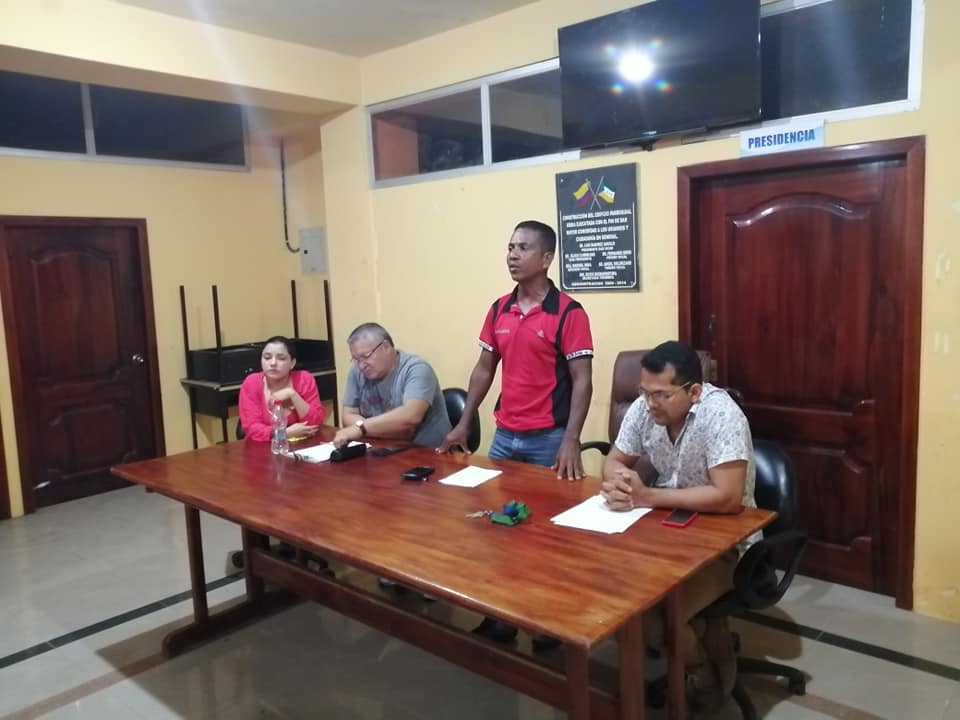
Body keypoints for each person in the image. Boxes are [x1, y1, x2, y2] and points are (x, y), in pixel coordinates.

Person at [438, 220, 594, 646]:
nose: (512, 254)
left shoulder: (569, 313)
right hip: (506, 437)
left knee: (547, 536)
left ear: (546, 258)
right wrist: (464, 420)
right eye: (510, 247)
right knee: (501, 526)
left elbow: (582, 380)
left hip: (549, 439)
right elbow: (484, 369)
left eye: (523, 247)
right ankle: (502, 616)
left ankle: (547, 622)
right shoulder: (499, 309)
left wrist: (571, 438)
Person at [600, 340, 756, 713]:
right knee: (619, 601)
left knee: (653, 620)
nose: (650, 403)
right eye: (644, 392)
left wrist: (647, 497)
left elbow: (727, 497)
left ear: (694, 392)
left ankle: (704, 673)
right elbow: (613, 460)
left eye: (661, 395)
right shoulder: (644, 408)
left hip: (726, 543)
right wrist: (619, 482)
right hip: (667, 531)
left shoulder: (722, 415)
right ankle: (702, 641)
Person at [332, 323, 451, 450]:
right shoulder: (357, 371)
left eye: (365, 356)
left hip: (427, 452)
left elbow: (411, 416)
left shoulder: (416, 368)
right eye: (356, 359)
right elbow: (348, 415)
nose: (361, 365)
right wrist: (387, 429)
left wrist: (361, 428)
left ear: (386, 346)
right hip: (382, 449)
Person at [238, 335, 325, 442]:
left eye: (281, 358)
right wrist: (284, 433)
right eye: (267, 357)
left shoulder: (304, 379)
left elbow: (315, 424)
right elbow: (252, 428)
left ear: (292, 363)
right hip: (263, 446)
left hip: (302, 445)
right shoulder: (251, 383)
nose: (273, 363)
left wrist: (292, 394)